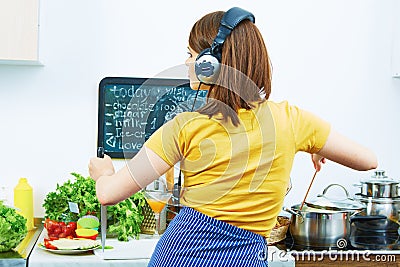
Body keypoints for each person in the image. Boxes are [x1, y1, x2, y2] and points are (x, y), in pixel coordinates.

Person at [89, 7, 377, 267]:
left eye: (190, 55)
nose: (186, 63)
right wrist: (317, 144)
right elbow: (368, 160)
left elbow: (108, 194)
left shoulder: (186, 126)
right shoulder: (293, 120)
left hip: (179, 257)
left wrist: (104, 173)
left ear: (208, 65)